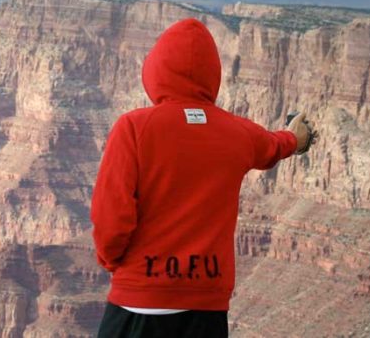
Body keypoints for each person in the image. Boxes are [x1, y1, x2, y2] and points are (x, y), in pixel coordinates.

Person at [91, 18, 316, 337]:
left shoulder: (134, 129)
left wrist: (116, 263)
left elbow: (111, 214)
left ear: (156, 70)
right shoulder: (238, 133)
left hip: (139, 305)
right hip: (206, 311)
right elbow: (275, 145)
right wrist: (298, 139)